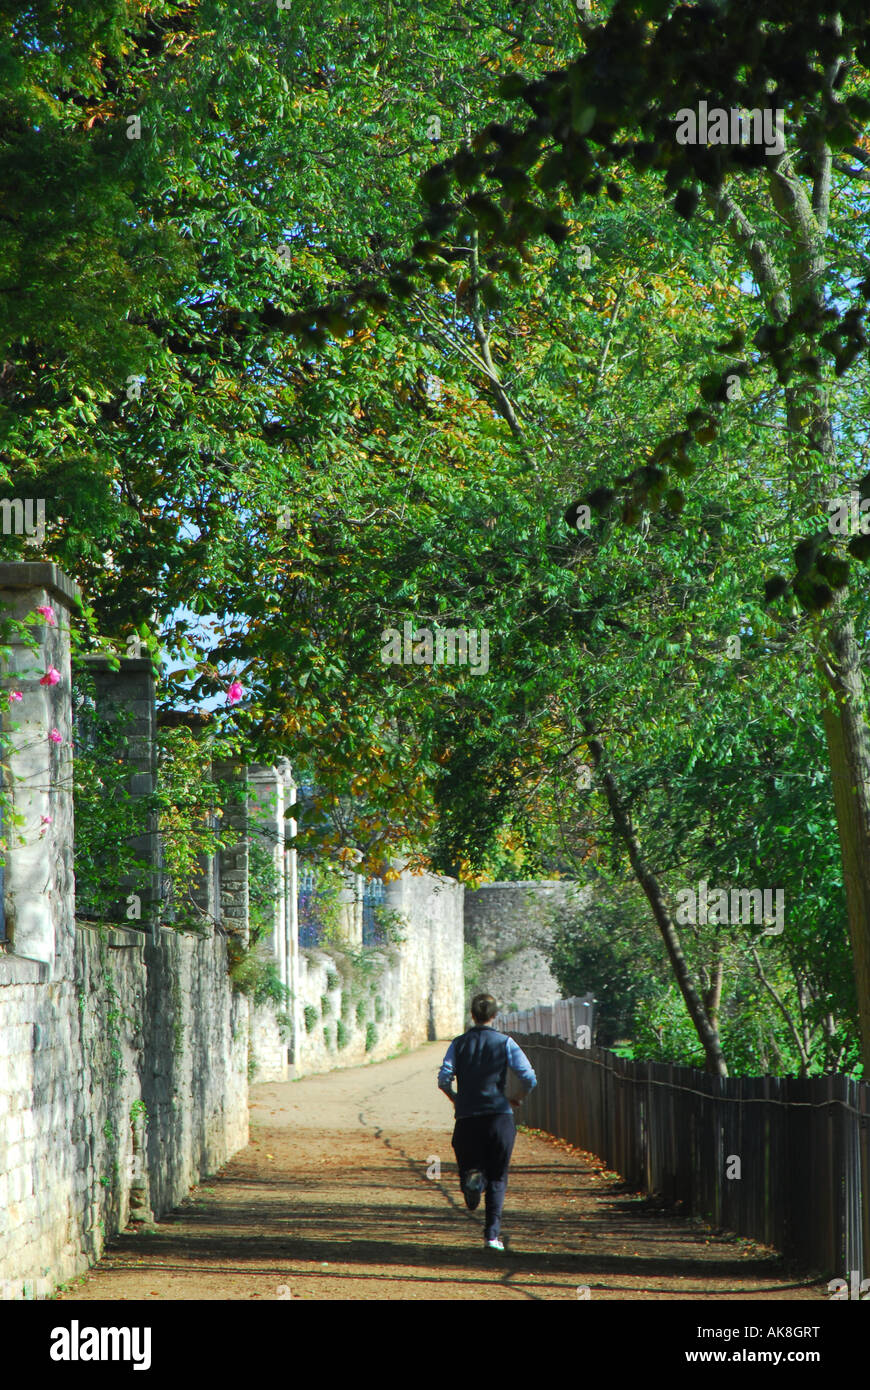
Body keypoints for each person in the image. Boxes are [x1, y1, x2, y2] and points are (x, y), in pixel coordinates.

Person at [437, 992, 537, 1251]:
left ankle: (474, 1183)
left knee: (470, 1165)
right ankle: (492, 1236)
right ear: (494, 1016)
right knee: (498, 1177)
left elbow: (443, 1078)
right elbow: (529, 1077)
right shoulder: (506, 1043)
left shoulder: (458, 1044)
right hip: (499, 1117)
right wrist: (516, 1097)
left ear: (472, 1014)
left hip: (468, 1117)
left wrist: (456, 1099)